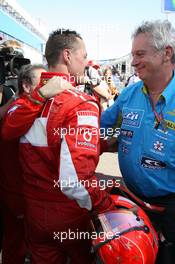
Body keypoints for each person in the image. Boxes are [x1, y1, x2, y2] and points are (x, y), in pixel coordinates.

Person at [1, 29, 115, 264]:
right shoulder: (80, 103)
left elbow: (16, 133)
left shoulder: (24, 103)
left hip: (33, 214)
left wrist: (101, 142)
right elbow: (75, 180)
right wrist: (107, 206)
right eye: (83, 56)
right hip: (69, 216)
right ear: (67, 56)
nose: (85, 63)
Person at [100, 20, 175, 263]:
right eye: (133, 55)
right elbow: (99, 128)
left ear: (167, 53)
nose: (133, 62)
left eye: (140, 54)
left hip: (170, 209)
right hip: (131, 201)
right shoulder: (128, 95)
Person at [0, 64, 47, 264]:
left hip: (20, 189)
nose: (48, 86)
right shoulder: (20, 108)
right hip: (15, 191)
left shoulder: (24, 105)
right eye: (43, 82)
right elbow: (9, 131)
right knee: (16, 239)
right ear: (27, 86)